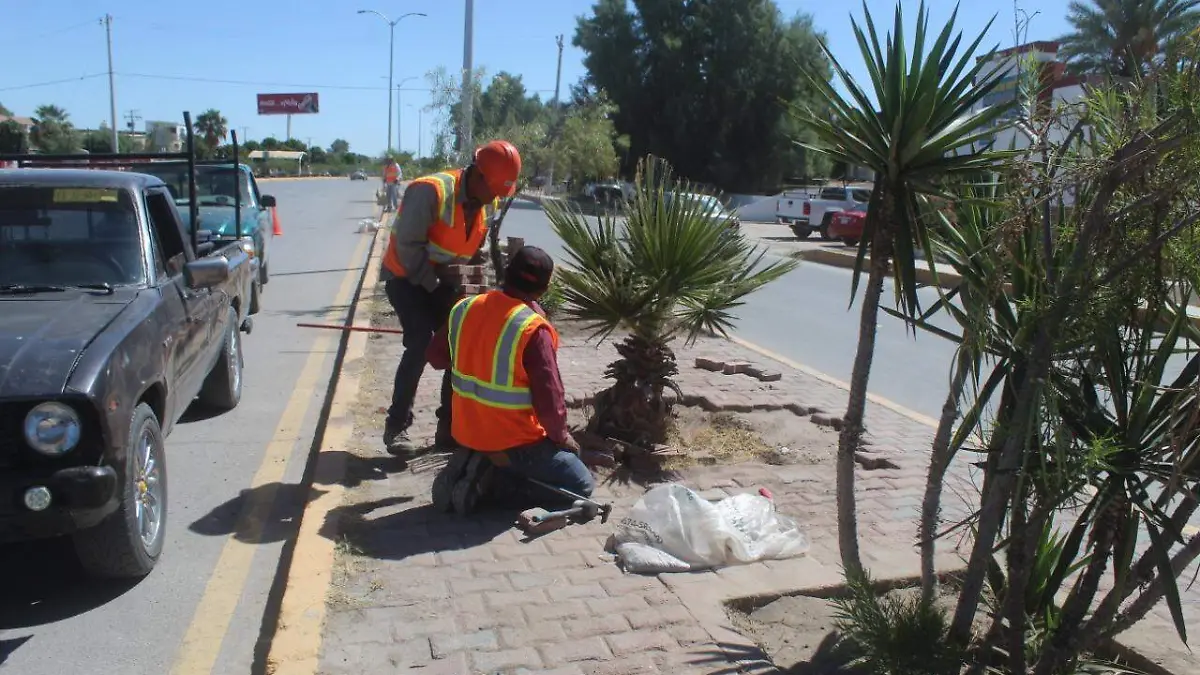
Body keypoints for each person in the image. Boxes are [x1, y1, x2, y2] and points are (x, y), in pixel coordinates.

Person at [425, 245, 596, 515]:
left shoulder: (465, 308)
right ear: (544, 289)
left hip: (467, 430)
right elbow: (549, 398)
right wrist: (562, 437)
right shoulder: (532, 329)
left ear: (506, 273)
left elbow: (435, 357)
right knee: (582, 484)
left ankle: (480, 459)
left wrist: (475, 355)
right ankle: (494, 482)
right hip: (515, 441)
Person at [380, 140, 522, 457]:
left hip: (443, 280)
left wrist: (475, 297)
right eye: (494, 190)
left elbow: (476, 255)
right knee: (422, 340)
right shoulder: (429, 191)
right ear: (478, 176)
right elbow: (408, 248)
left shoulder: (487, 204)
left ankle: (450, 429)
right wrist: (436, 289)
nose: (495, 198)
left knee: (462, 342)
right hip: (404, 275)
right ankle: (397, 427)